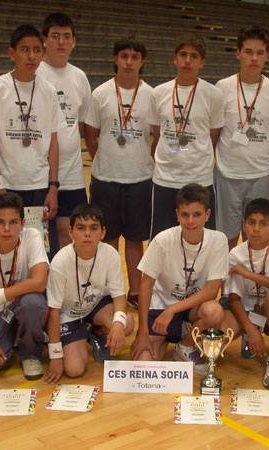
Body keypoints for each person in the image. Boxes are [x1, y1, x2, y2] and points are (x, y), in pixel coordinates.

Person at [0, 24, 63, 256]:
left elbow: (53, 142)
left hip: (39, 187)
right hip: (4, 187)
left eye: (37, 50)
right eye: (25, 49)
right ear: (11, 53)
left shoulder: (48, 91)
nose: (32, 56)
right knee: (1, 253)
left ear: (43, 54)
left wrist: (53, 186)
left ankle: (36, 294)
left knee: (39, 254)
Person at [85, 36, 154, 310]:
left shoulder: (151, 95)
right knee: (109, 239)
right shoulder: (99, 93)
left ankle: (135, 292)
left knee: (136, 239)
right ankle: (110, 291)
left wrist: (141, 161)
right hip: (105, 180)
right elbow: (90, 134)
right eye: (124, 56)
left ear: (142, 61)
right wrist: (104, 160)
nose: (128, 62)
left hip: (140, 180)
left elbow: (156, 135)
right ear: (115, 58)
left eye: (134, 57)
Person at [130, 184, 228, 375]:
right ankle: (178, 331)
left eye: (197, 214)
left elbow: (212, 290)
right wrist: (142, 333)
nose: (190, 221)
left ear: (208, 215)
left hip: (190, 308)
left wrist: (172, 310)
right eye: (185, 214)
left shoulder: (218, 240)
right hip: (161, 306)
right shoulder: (162, 240)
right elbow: (146, 285)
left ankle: (186, 345)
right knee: (144, 365)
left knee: (214, 311)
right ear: (177, 214)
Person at [44, 204, 135, 384]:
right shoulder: (60, 262)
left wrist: (117, 325)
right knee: (74, 369)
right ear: (70, 232)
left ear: (102, 233)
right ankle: (77, 336)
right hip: (69, 315)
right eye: (81, 228)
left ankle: (97, 333)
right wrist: (55, 356)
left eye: (93, 229)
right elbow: (52, 312)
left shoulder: (110, 254)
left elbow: (118, 296)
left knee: (126, 324)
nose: (87, 234)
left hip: (95, 306)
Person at [215, 26, 269, 250]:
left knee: (256, 239)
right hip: (227, 176)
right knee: (225, 239)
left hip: (261, 177)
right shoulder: (222, 88)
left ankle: (250, 285)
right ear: (238, 53)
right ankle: (226, 286)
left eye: (260, 52)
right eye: (248, 52)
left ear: (267, 56)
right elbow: (213, 136)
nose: (254, 58)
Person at [147, 33, 224, 239]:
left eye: (194, 56)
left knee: (201, 242)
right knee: (161, 242)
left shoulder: (213, 95)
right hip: (165, 179)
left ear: (202, 62)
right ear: (175, 58)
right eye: (183, 54)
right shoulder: (159, 92)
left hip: (199, 180)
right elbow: (157, 134)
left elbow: (213, 137)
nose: (187, 60)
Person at [0, 193, 49, 380]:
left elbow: (40, 281)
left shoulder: (32, 237)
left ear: (23, 223)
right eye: (0, 222)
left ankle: (30, 353)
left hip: (25, 306)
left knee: (32, 303)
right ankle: (12, 338)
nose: (7, 229)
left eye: (13, 222)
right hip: (0, 315)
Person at [220, 198, 269, 388]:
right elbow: (234, 298)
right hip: (246, 309)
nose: (256, 229)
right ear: (244, 225)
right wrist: (250, 329)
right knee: (218, 339)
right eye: (251, 223)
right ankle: (250, 336)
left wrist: (248, 274)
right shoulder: (235, 254)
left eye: (263, 224)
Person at [37, 13, 91, 249]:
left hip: (72, 174)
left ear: (73, 42)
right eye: (55, 36)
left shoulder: (79, 77)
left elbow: (81, 123)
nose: (61, 42)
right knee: (39, 236)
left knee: (69, 234)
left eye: (66, 36)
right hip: (39, 174)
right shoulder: (35, 73)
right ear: (44, 40)